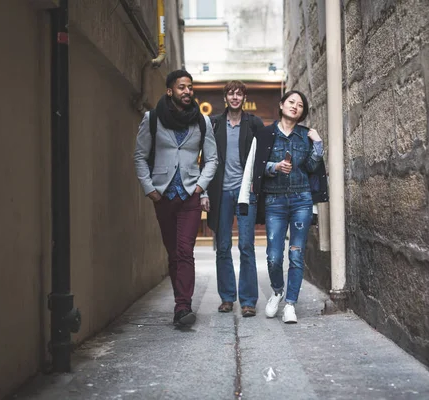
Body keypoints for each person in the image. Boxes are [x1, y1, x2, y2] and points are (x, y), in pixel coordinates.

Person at [134, 70, 218, 327]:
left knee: (185, 251)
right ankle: (181, 301)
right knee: (173, 253)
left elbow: (212, 159)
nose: (187, 91)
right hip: (164, 196)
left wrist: (200, 186)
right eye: (182, 87)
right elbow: (139, 156)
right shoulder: (152, 119)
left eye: (190, 87)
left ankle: (183, 307)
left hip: (190, 195)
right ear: (170, 91)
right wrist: (149, 187)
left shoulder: (202, 122)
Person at [237, 90, 326, 324]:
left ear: (302, 112)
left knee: (296, 255)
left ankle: (290, 305)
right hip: (274, 202)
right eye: (291, 102)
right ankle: (277, 291)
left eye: (299, 104)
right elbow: (257, 167)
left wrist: (317, 146)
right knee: (274, 257)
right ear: (281, 105)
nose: (295, 106)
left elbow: (310, 168)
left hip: (301, 200)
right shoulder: (266, 134)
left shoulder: (306, 136)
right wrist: (274, 167)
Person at [206, 81, 265, 317]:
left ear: (244, 97)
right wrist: (203, 191)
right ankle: (227, 298)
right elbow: (207, 157)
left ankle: (249, 300)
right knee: (222, 246)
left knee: (246, 246)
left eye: (239, 93)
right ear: (225, 97)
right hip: (221, 193)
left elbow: (263, 155)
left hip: (245, 194)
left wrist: (257, 182)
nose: (235, 97)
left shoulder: (254, 123)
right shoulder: (215, 124)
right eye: (231, 93)